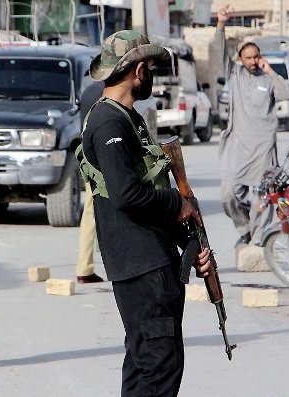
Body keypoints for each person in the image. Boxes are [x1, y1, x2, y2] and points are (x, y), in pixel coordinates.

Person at [79, 30, 212, 396]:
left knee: (144, 364)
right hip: (141, 264)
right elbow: (127, 195)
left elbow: (153, 187)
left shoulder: (128, 118)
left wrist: (189, 243)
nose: (151, 73)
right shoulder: (109, 122)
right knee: (159, 366)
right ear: (138, 71)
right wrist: (177, 205)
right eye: (150, 67)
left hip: (151, 259)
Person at [216, 4, 289, 246]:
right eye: (248, 57)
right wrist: (221, 24)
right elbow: (219, 52)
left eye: (256, 57)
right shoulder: (235, 75)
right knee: (230, 194)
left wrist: (270, 71)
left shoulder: (267, 79)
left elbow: (287, 93)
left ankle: (258, 239)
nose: (252, 61)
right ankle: (244, 228)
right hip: (239, 146)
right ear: (240, 59)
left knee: (263, 196)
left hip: (263, 149)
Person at [76, 81, 105, 284]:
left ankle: (84, 267)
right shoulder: (110, 92)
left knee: (90, 212)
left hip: (88, 157)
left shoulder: (88, 92)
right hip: (103, 158)